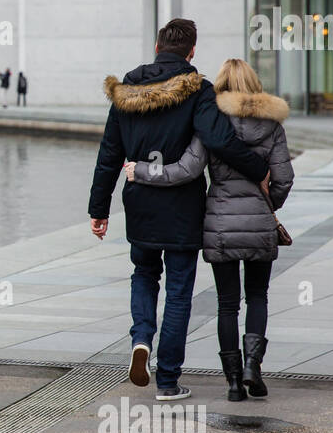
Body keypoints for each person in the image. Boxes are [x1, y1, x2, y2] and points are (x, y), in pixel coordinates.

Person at [87, 18, 270, 402]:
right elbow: (218, 140)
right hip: (183, 207)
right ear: (191, 52)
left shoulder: (126, 90)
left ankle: (141, 340)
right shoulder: (199, 91)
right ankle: (168, 380)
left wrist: (98, 208)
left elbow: (109, 152)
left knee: (143, 272)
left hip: (138, 203)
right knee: (179, 292)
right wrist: (259, 170)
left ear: (156, 47)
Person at [124, 58, 294, 402]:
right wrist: (268, 206)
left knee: (227, 304)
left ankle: (232, 383)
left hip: (218, 223)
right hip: (259, 224)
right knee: (258, 296)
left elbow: (186, 170)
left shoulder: (213, 124)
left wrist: (140, 171)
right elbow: (285, 178)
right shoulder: (273, 125)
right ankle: (253, 369)